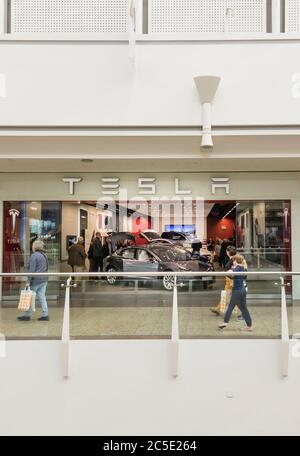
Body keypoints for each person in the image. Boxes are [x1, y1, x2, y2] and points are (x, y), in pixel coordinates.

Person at [219, 255, 253, 331]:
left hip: (237, 290)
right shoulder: (243, 269)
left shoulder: (235, 270)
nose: (232, 262)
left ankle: (225, 322)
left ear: (235, 261)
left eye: (233, 261)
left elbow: (227, 273)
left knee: (231, 306)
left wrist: (231, 272)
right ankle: (249, 326)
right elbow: (243, 277)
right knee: (244, 308)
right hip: (243, 290)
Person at [18, 239, 49, 322]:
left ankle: (27, 315)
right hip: (44, 279)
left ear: (35, 246)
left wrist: (28, 282)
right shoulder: (45, 255)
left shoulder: (34, 256)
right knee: (42, 297)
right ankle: (45, 314)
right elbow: (46, 268)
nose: (32, 247)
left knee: (29, 297)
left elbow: (31, 270)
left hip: (35, 280)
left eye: (33, 245)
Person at [210, 246, 237, 316]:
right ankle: (218, 309)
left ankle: (218, 309)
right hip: (229, 280)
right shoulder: (232, 258)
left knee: (227, 296)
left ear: (228, 252)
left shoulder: (234, 259)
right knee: (227, 296)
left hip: (231, 281)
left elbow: (237, 269)